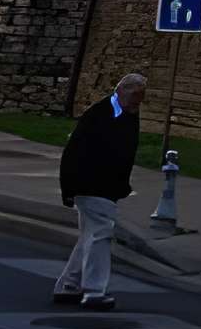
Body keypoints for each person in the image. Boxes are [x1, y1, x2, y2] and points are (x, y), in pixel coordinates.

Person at [52, 74, 143, 310]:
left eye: (141, 97)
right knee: (101, 234)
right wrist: (69, 188)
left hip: (104, 186)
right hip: (93, 184)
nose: (138, 101)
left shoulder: (126, 115)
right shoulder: (101, 115)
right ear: (121, 91)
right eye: (135, 95)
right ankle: (94, 290)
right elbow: (73, 152)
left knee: (89, 236)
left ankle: (69, 285)